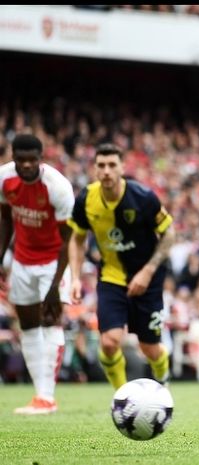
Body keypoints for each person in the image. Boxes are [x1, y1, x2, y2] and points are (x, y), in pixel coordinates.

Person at [67, 143, 175, 389]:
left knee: (150, 348)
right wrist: (74, 277)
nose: (106, 171)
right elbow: (77, 239)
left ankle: (163, 381)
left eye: (112, 165)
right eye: (101, 165)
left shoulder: (143, 198)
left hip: (148, 278)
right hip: (111, 276)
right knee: (109, 342)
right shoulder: (85, 199)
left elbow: (169, 233)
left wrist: (148, 271)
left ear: (122, 167)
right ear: (94, 169)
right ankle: (121, 396)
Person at [0, 134, 75, 414]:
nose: (27, 165)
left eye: (33, 160)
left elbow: (69, 240)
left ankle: (47, 397)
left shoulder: (58, 187)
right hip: (22, 260)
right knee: (29, 326)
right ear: (14, 157)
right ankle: (40, 396)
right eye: (21, 159)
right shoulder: (4, 178)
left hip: (54, 261)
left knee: (51, 320)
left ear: (41, 159)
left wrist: (56, 284)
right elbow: (6, 220)